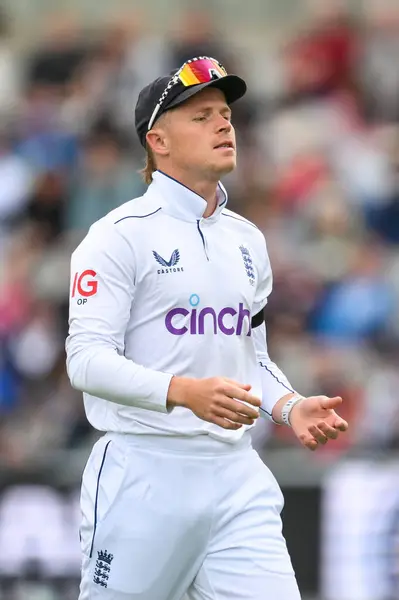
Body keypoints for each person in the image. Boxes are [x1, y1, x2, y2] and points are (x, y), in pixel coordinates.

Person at [66, 56, 349, 600]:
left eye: (225, 113)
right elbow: (85, 361)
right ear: (158, 141)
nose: (224, 124)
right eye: (201, 116)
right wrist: (181, 392)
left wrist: (289, 406)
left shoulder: (247, 239)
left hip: (236, 472)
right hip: (144, 474)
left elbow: (251, 357)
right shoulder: (116, 237)